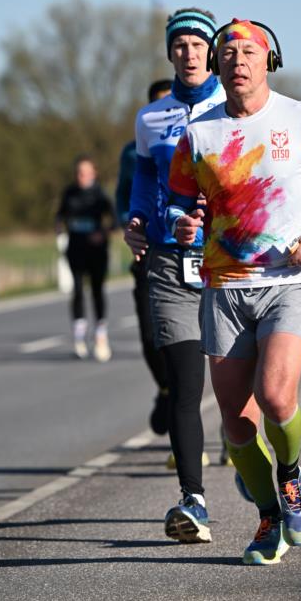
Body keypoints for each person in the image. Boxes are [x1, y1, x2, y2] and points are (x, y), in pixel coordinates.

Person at [166, 18, 301, 564]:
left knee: (275, 397)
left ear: (268, 59)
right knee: (236, 422)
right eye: (228, 52)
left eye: (249, 51)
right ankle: (269, 518)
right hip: (224, 286)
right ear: (218, 65)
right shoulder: (198, 132)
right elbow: (179, 199)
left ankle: (291, 478)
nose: (237, 60)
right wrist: (182, 222)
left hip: (287, 282)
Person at [124, 9, 225, 542]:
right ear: (170, 52)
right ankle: (194, 502)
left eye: (197, 43)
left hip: (229, 261)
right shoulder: (151, 118)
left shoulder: (233, 107)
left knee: (242, 387)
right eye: (180, 44)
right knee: (186, 387)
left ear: (212, 50)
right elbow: (144, 180)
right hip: (169, 261)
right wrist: (136, 221)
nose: (189, 52)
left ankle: (264, 471)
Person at [116, 79, 173, 434]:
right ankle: (166, 389)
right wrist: (131, 223)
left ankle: (218, 428)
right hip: (148, 250)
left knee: (201, 346)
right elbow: (124, 194)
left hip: (191, 250)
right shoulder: (132, 150)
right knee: (152, 337)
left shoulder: (202, 134)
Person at [55, 156, 116, 362]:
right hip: (75, 248)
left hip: (96, 249)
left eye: (85, 172)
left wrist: (103, 233)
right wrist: (60, 230)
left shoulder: (100, 194)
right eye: (78, 173)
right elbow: (60, 216)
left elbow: (114, 219)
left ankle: (100, 337)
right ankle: (79, 339)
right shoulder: (69, 193)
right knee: (78, 289)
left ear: (93, 173)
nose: (81, 176)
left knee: (97, 289)